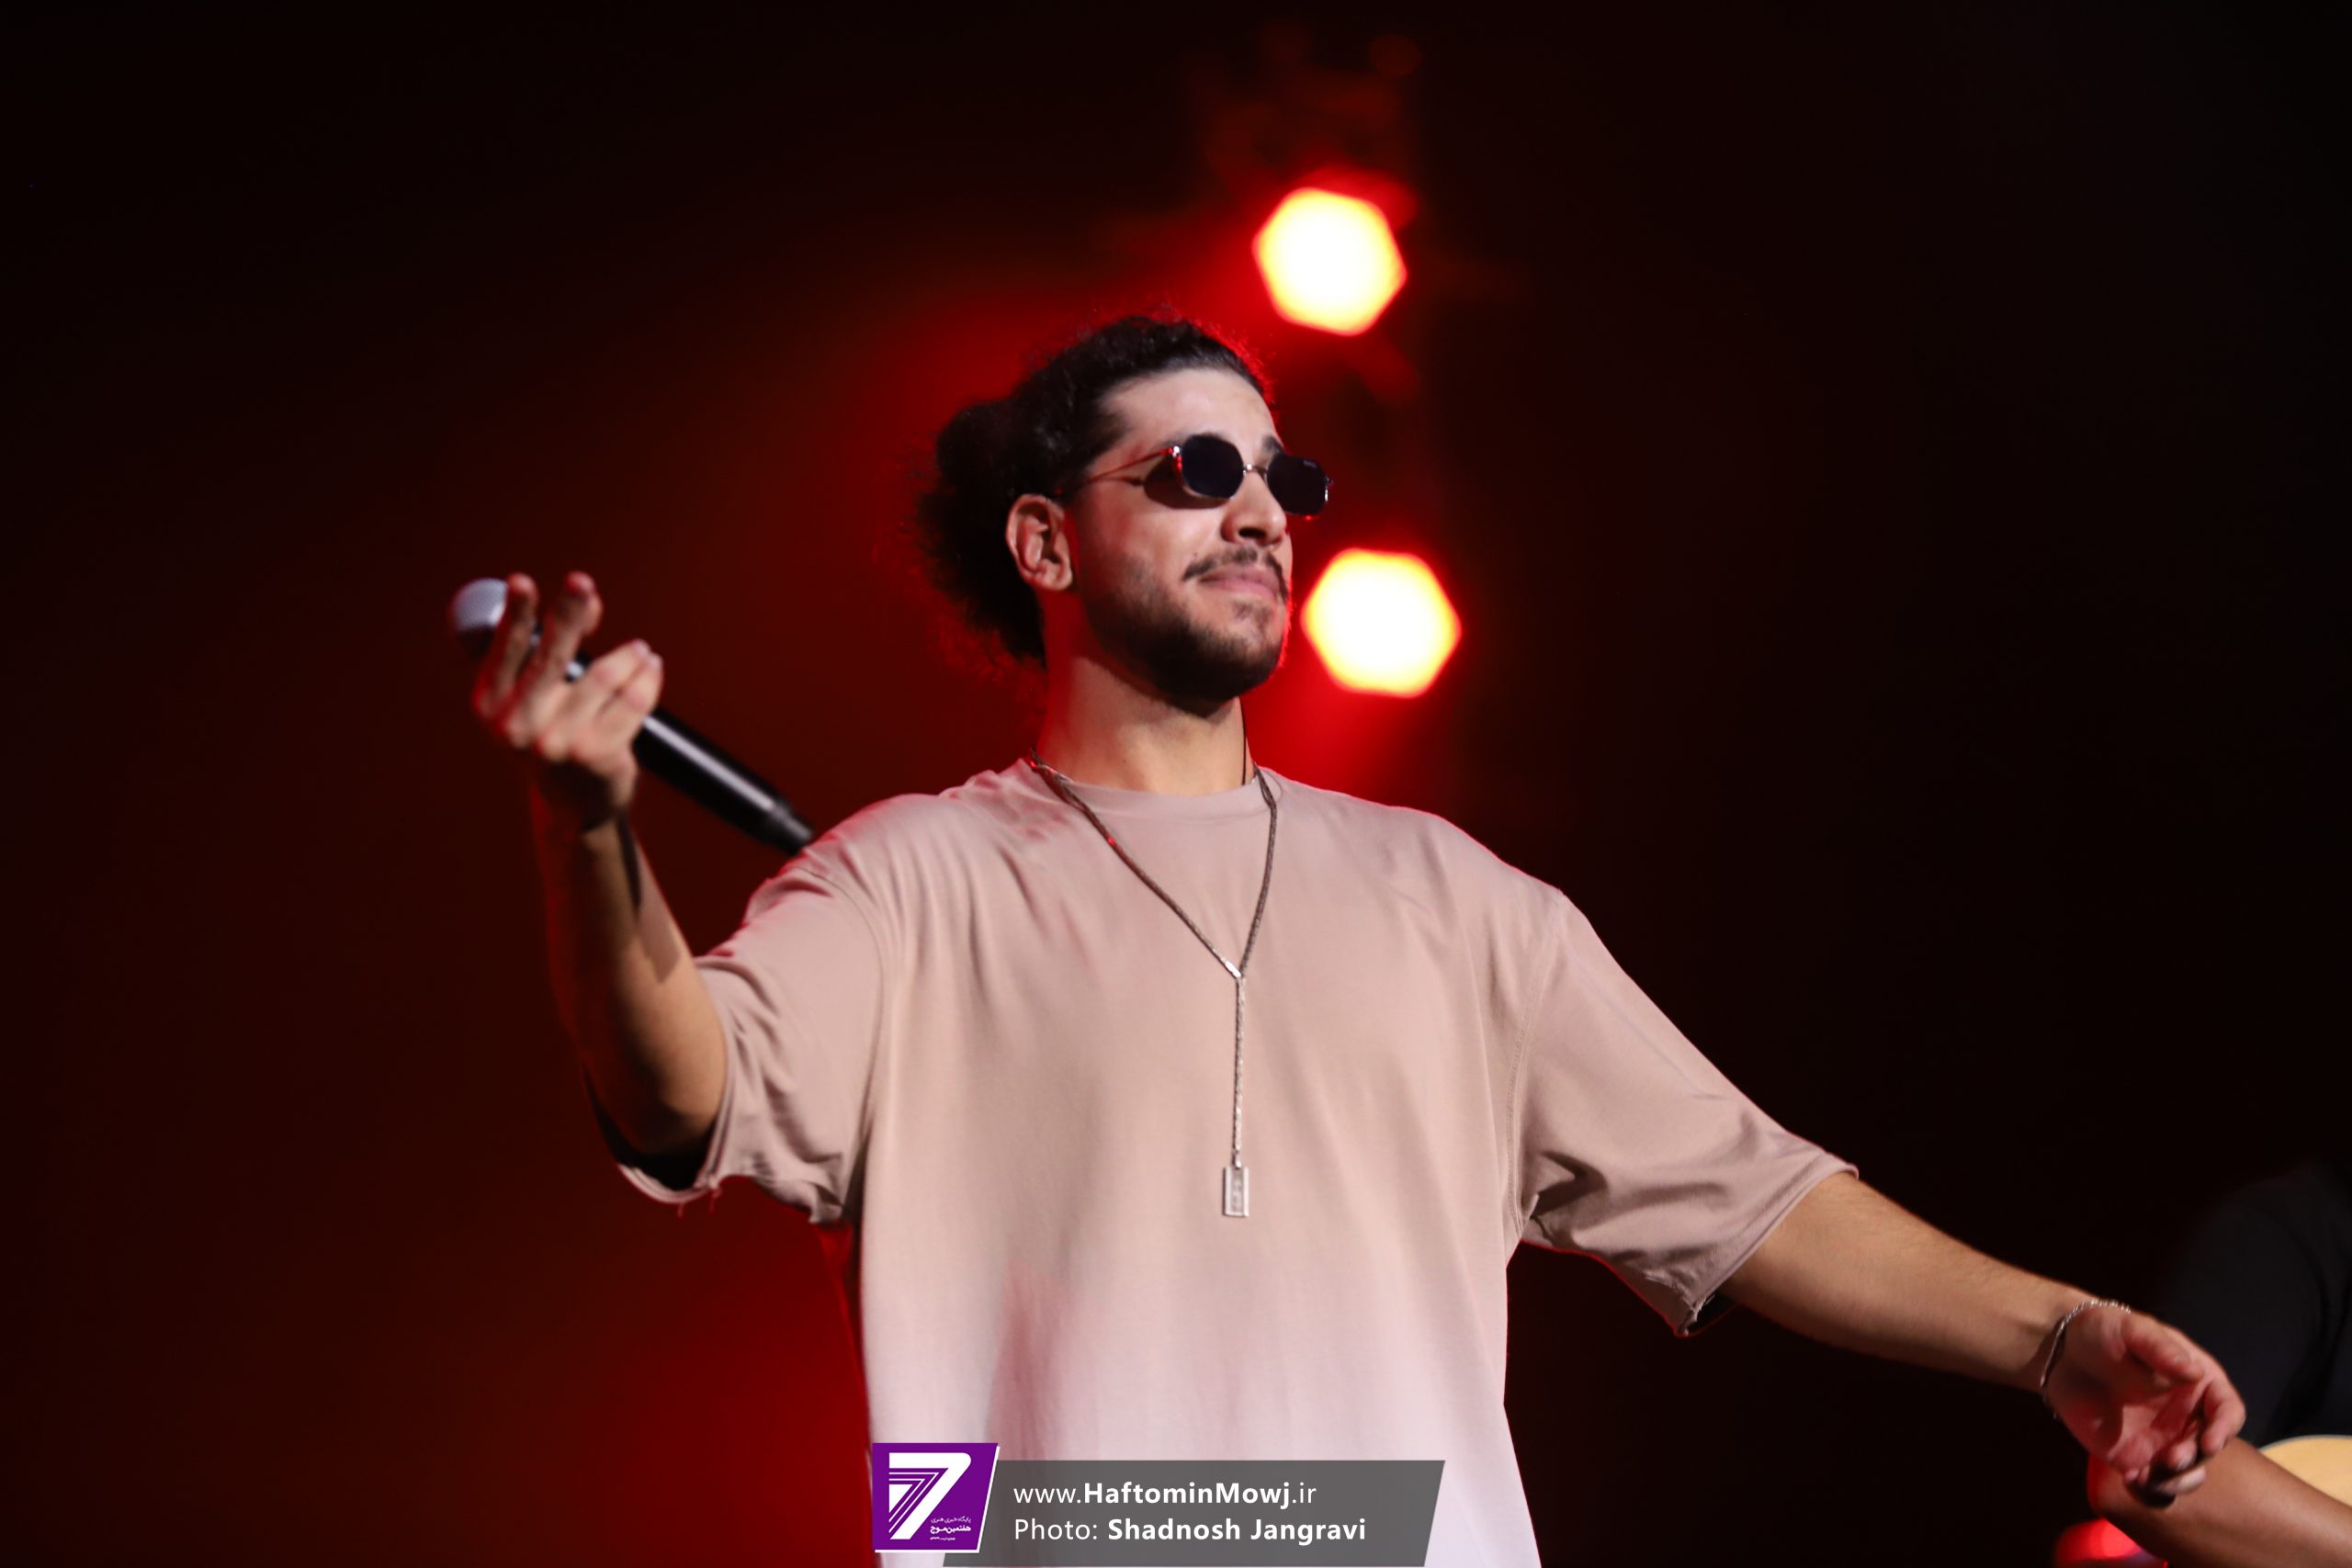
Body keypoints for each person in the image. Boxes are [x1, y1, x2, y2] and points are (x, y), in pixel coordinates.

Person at [471, 313, 2245, 1566]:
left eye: (1283, 477)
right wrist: (588, 827)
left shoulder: (1457, 900)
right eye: (1197, 469)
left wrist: (2055, 1338)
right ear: (1046, 542)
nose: (1262, 511)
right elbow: (679, 1092)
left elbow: (1753, 1195)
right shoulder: (905, 883)